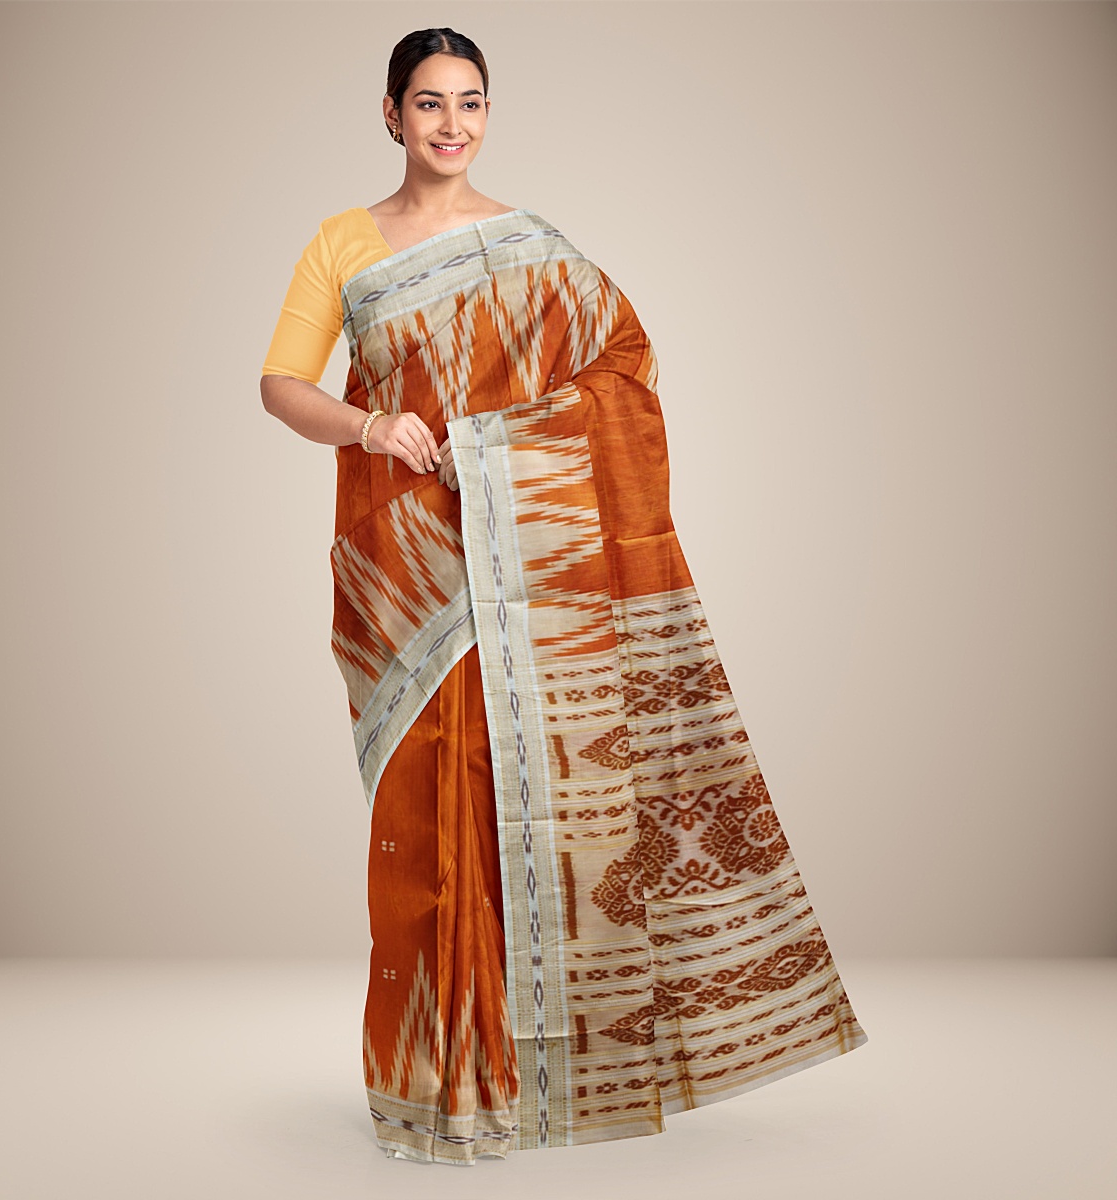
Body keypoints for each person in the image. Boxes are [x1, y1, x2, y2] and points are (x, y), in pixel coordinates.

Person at [260, 26, 868, 1168]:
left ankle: (535, 1081)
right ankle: (437, 1088)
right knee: (428, 811)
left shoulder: (533, 245)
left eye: (470, 102)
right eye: (429, 102)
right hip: (415, 573)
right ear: (390, 114)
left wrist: (496, 446)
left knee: (519, 798)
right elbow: (281, 385)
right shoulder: (343, 242)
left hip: (530, 568)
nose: (451, 124)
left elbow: (622, 370)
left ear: (488, 115)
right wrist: (371, 427)